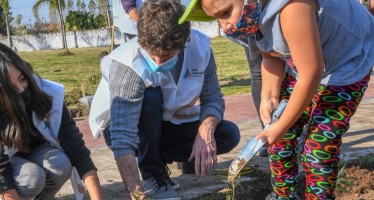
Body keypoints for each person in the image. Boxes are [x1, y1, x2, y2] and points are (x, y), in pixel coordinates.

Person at [179, 0, 374, 199]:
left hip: (347, 62)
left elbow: (312, 72)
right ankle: (283, 196)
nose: (224, 25)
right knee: (278, 140)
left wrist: (282, 125)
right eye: (217, 18)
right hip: (306, 62)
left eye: (227, 12)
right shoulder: (254, 16)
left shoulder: (292, 7)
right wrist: (269, 96)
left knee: (319, 147)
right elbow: (272, 56)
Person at [96, 0, 240, 199]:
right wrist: (136, 193)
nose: (157, 63)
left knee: (227, 134)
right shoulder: (128, 64)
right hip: (130, 130)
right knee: (151, 96)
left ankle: (172, 159)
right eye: (152, 55)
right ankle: (152, 173)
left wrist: (205, 130)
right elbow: (123, 137)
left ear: (184, 41)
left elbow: (213, 97)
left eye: (166, 56)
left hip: (166, 124)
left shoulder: (200, 47)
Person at [0, 43, 103, 200]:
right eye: (11, 89)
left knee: (60, 165)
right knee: (31, 178)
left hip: (28, 154)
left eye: (22, 78)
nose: (21, 89)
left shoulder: (47, 93)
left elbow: (76, 147)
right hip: (7, 164)